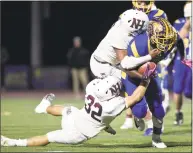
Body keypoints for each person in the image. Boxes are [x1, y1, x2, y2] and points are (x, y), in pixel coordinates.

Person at [1, 62, 155, 147]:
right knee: (48, 138)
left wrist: (106, 126)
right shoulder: (111, 105)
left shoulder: (92, 88)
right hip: (78, 134)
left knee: (68, 109)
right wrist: (145, 80)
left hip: (79, 117)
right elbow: (136, 97)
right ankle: (14, 143)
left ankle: (45, 108)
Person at [121, 17, 178, 148]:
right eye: (161, 36)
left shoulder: (169, 42)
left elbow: (180, 40)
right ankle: (137, 116)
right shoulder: (138, 45)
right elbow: (126, 68)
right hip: (132, 74)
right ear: (151, 34)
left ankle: (156, 138)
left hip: (149, 73)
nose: (165, 41)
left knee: (159, 109)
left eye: (166, 36)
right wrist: (144, 75)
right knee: (140, 111)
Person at [120, 0, 169, 136]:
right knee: (139, 108)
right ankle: (136, 116)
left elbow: (167, 38)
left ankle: (156, 133)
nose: (142, 6)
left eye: (145, 2)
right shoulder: (126, 16)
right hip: (131, 61)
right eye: (140, 2)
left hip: (150, 61)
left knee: (157, 105)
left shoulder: (159, 14)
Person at [90, 9, 160, 79]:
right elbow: (125, 64)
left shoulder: (125, 25)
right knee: (125, 83)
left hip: (115, 62)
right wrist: (149, 57)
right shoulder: (120, 35)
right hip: (102, 66)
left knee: (136, 77)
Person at [163, 1, 192, 126]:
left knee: (188, 92)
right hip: (182, 59)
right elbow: (177, 39)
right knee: (178, 88)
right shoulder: (180, 22)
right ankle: (178, 112)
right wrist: (187, 25)